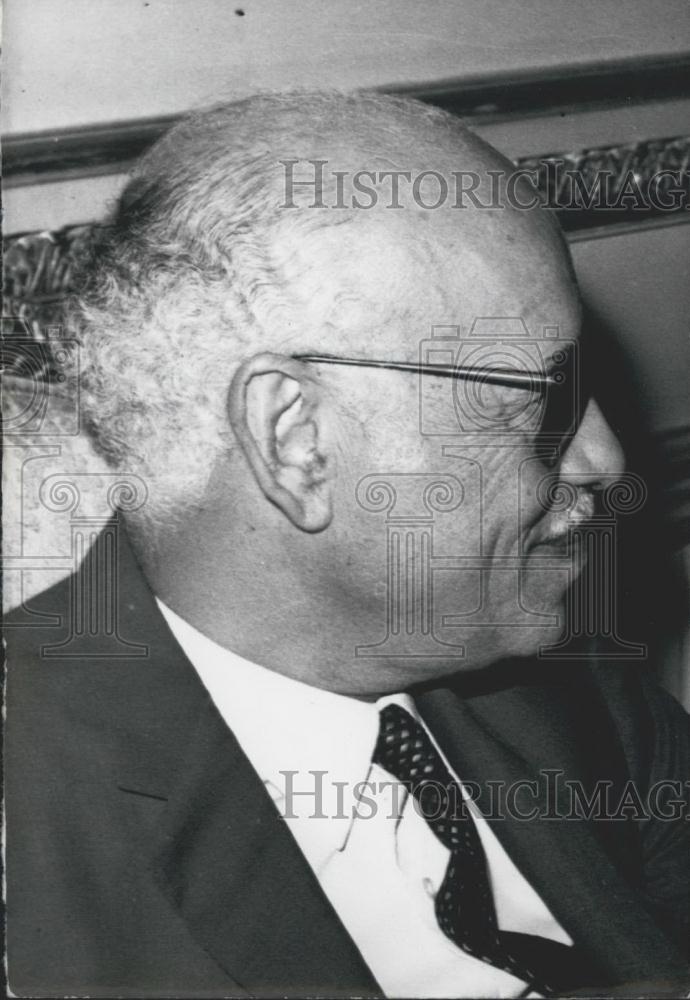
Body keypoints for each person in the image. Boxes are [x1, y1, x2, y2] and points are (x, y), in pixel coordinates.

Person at [5, 92, 689, 999]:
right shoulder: (35, 851)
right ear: (299, 441)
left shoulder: (548, 657)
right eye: (545, 404)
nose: (603, 458)